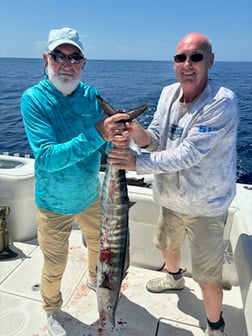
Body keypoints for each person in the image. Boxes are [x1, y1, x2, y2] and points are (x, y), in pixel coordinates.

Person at [108, 32, 238, 336]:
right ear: (174, 63)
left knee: (207, 276)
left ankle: (215, 326)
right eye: (181, 57)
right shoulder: (168, 93)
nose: (188, 64)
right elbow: (156, 139)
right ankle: (174, 277)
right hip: (169, 198)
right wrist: (137, 133)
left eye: (196, 57)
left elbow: (189, 154)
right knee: (166, 245)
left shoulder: (222, 102)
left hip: (207, 206)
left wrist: (135, 163)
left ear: (211, 61)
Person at [21, 27, 130, 336]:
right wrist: (99, 133)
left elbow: (105, 144)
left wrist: (119, 142)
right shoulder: (34, 100)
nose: (66, 64)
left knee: (102, 249)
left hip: (93, 196)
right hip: (53, 201)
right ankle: (52, 308)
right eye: (58, 56)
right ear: (46, 58)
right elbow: (47, 158)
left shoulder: (92, 96)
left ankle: (97, 281)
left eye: (74, 57)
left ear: (84, 63)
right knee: (55, 265)